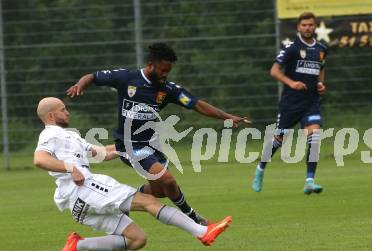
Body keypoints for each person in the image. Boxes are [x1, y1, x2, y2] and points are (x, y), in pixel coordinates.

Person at [66, 43, 249, 225]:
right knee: (168, 179)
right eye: (162, 70)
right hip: (129, 146)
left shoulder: (168, 90)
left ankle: (124, 203)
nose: (165, 74)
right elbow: (93, 76)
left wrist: (227, 117)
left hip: (152, 146)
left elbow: (197, 104)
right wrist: (79, 85)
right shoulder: (127, 78)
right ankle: (195, 219)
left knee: (162, 189)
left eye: (168, 71)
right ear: (151, 64)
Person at [33, 97, 232, 251]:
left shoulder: (70, 136)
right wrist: (70, 168)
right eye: (63, 109)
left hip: (77, 202)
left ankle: (78, 244)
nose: (67, 112)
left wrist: (130, 143)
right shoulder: (50, 134)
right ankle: (202, 232)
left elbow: (101, 153)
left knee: (137, 240)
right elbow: (40, 159)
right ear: (51, 115)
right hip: (84, 188)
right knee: (148, 201)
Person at [252, 12, 328, 194]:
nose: (308, 28)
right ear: (298, 28)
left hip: (311, 102)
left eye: (311, 25)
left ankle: (309, 181)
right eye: (304, 25)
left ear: (315, 27)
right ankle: (260, 169)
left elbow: (321, 68)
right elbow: (274, 71)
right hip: (290, 103)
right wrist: (291, 83)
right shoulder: (291, 48)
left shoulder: (322, 49)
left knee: (315, 135)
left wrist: (320, 84)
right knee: (279, 139)